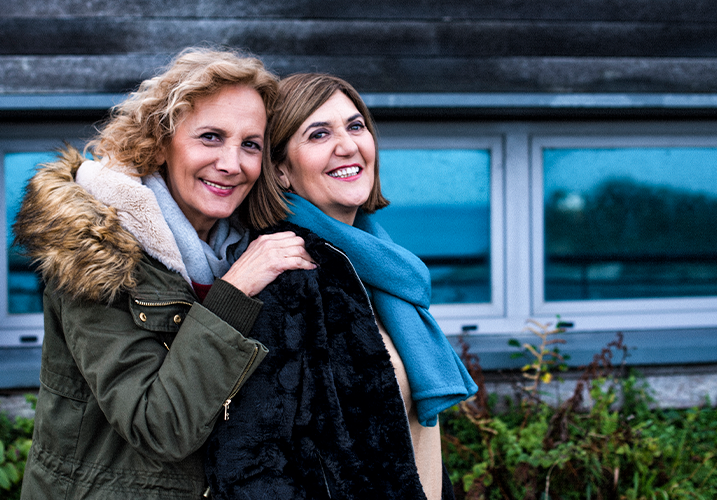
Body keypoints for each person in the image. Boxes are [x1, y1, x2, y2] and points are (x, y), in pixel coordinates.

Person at [13, 47, 316, 499]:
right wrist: (233, 295)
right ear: (159, 142)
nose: (232, 164)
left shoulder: (246, 247)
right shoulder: (98, 250)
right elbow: (160, 427)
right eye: (210, 137)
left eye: (250, 144)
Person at [204, 73, 477, 500]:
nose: (348, 145)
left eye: (355, 126)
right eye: (319, 134)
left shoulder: (378, 264)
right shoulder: (288, 272)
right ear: (280, 170)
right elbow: (251, 462)